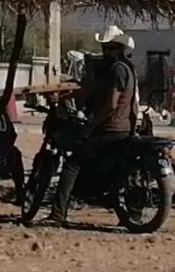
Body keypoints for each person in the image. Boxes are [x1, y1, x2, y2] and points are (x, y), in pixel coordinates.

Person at [41, 31, 138, 226]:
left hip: (110, 129)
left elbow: (111, 104)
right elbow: (88, 90)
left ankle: (58, 214)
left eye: (110, 48)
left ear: (119, 49)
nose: (105, 51)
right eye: (104, 47)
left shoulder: (117, 70)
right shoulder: (124, 69)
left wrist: (91, 126)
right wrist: (62, 98)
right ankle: (130, 213)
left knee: (72, 164)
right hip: (123, 128)